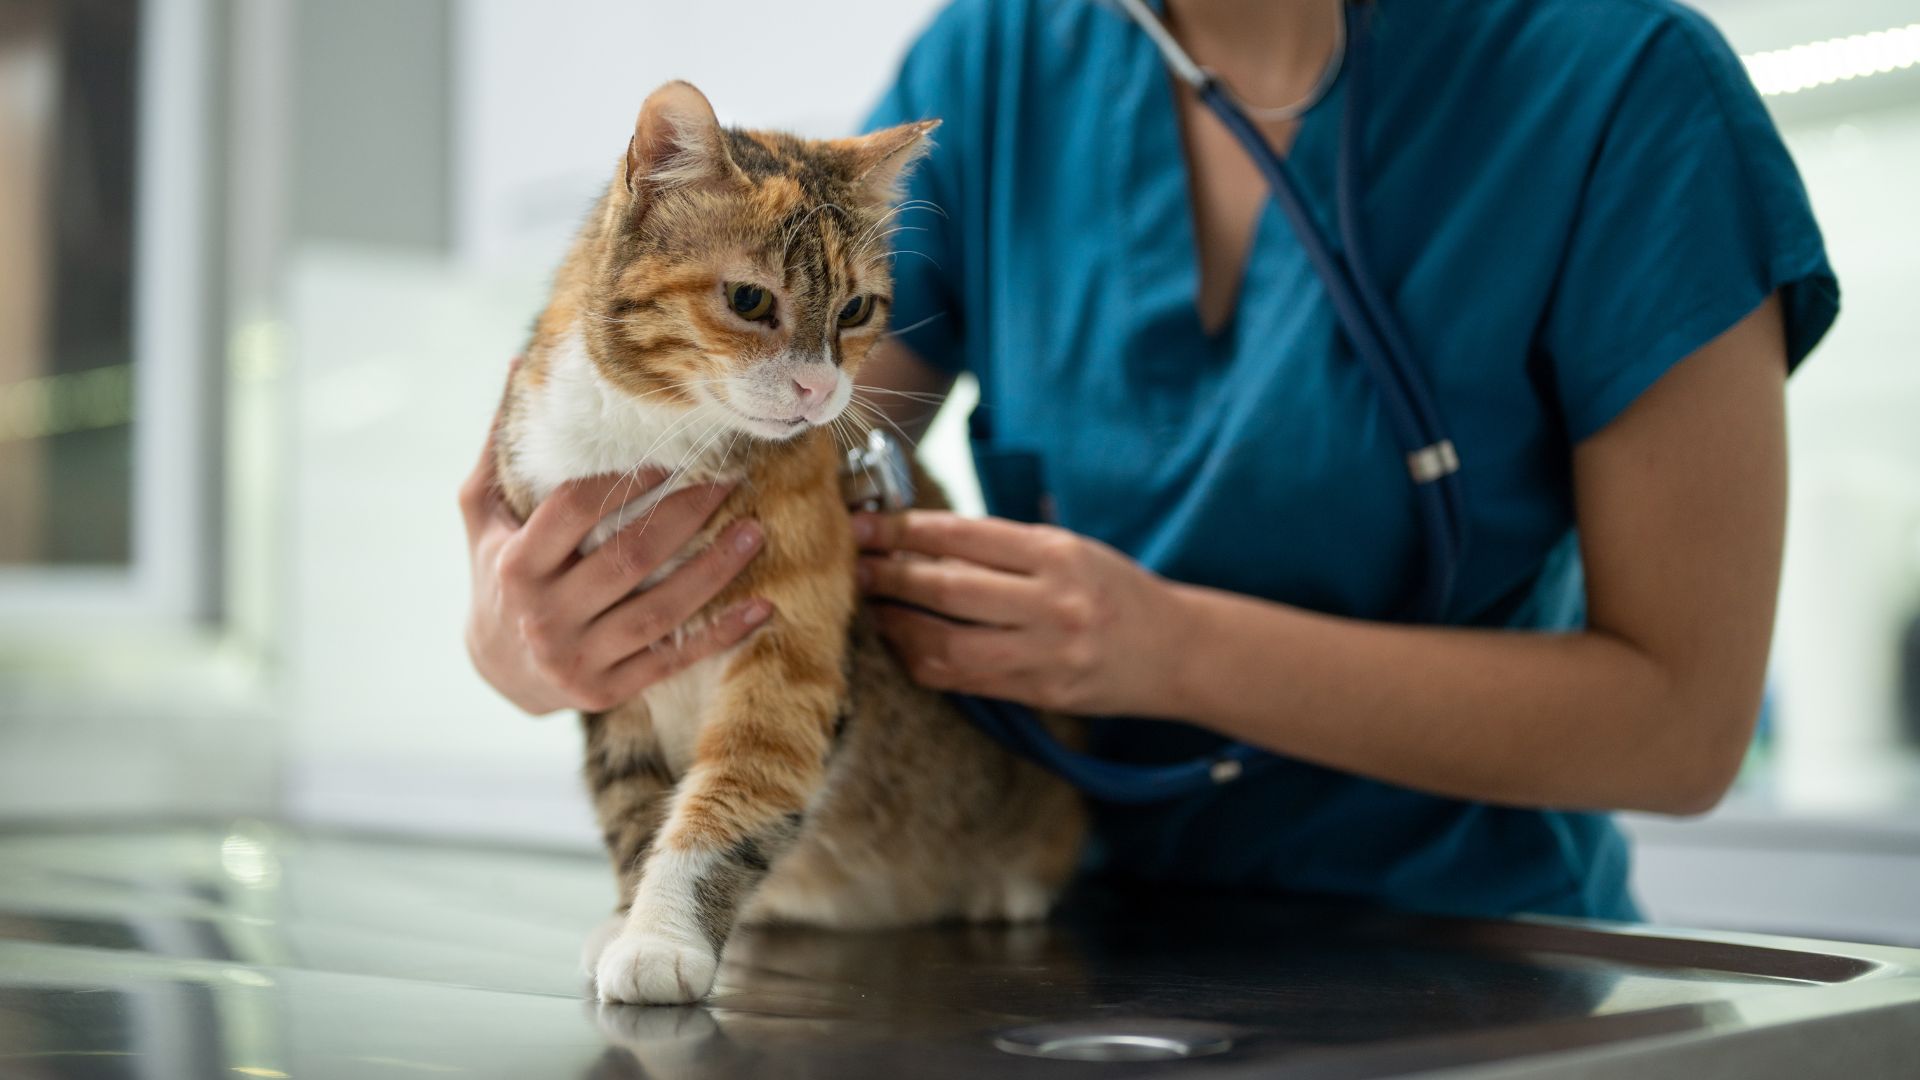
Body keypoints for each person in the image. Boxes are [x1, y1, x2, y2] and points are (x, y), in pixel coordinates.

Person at [461, 0, 1837, 921]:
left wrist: (1165, 649)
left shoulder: (1628, 90)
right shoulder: (1002, 59)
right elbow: (768, 463)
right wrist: (534, 628)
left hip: (1476, 965)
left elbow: (1682, 728)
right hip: (1056, 937)